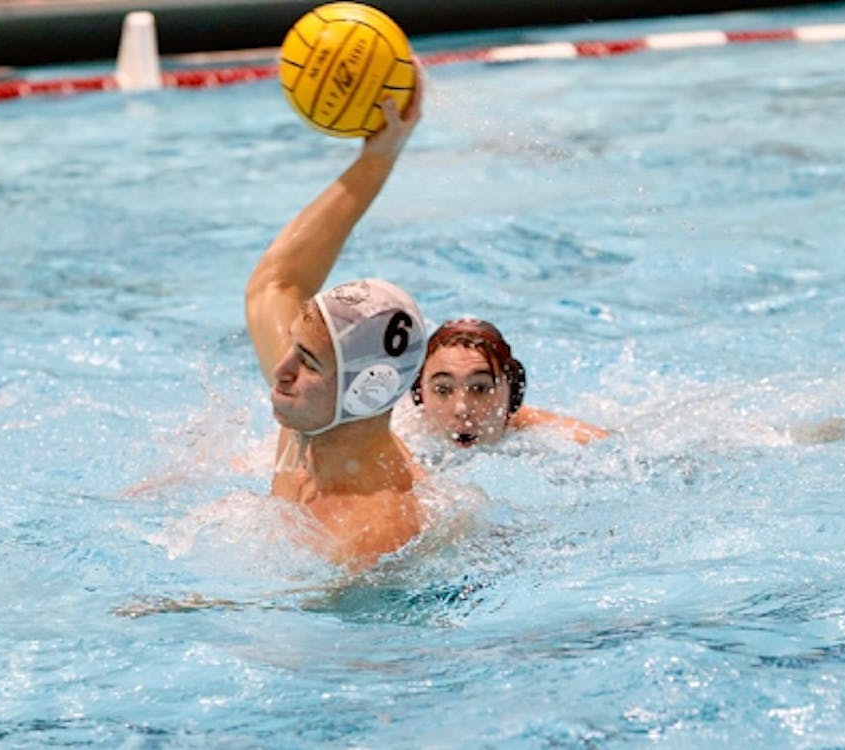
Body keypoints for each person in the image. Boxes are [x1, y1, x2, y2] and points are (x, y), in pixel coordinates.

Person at [244, 85, 428, 571]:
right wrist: (378, 156)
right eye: (294, 349)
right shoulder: (317, 413)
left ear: (365, 390)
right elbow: (276, 283)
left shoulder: (374, 538)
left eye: (306, 363)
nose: (279, 372)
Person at [408, 318, 608, 449]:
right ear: (420, 394)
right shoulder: (401, 433)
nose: (462, 408)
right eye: (443, 389)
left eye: (480, 388)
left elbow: (609, 446)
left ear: (512, 394)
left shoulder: (547, 438)